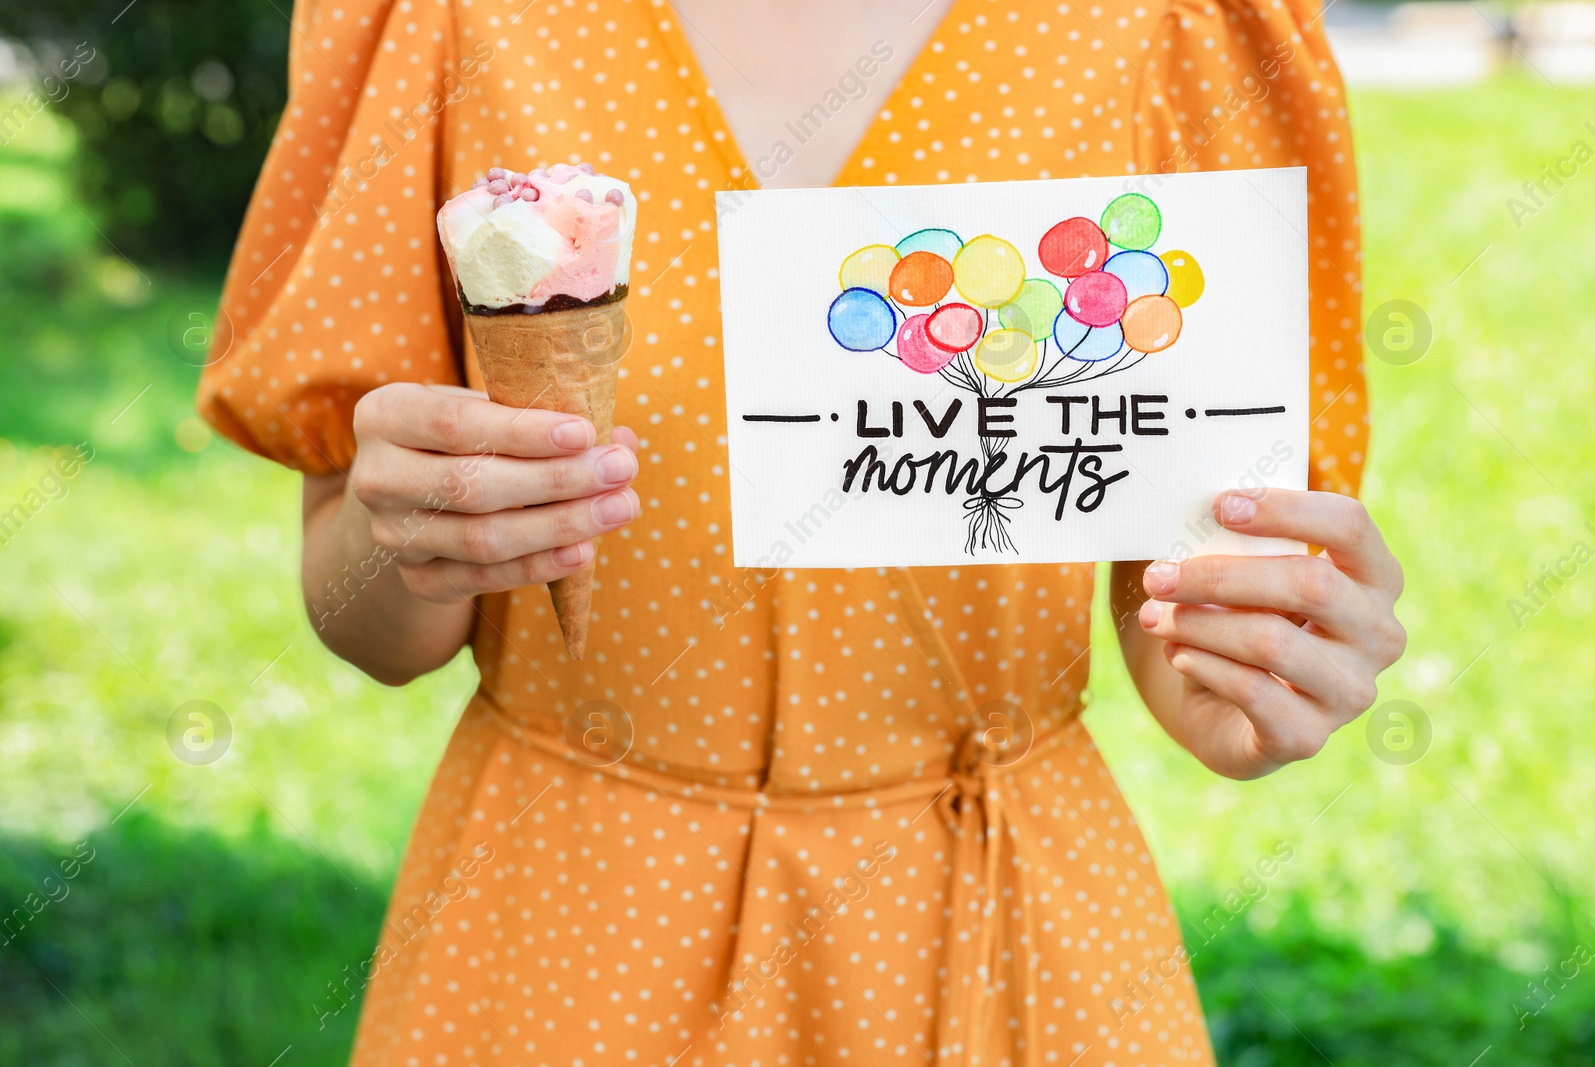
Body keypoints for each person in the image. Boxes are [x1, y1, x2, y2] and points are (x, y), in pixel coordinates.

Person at [198, 0, 1404, 1062]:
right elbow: (372, 616)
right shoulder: (448, 16)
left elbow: (1185, 551)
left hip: (1000, 929)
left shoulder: (1173, 19)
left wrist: (1240, 667)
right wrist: (393, 525)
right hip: (570, 919)